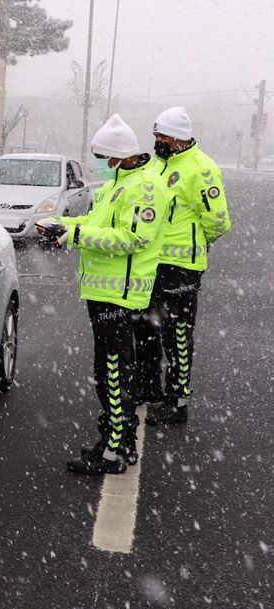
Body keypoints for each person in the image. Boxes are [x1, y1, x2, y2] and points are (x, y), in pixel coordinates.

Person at [37, 114, 169, 475]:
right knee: (111, 370)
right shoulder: (118, 186)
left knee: (114, 372)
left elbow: (133, 238)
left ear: (118, 157)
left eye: (101, 156)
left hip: (121, 296)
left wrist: (76, 237)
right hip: (104, 293)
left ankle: (113, 452)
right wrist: (64, 226)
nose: (98, 162)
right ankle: (120, 443)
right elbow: (97, 225)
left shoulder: (145, 188)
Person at [133, 107, 232, 426]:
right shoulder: (159, 165)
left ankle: (177, 402)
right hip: (151, 263)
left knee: (176, 335)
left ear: (177, 138)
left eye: (161, 136)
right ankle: (149, 389)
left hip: (182, 268)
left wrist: (201, 242)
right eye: (155, 135)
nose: (157, 141)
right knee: (146, 326)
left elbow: (218, 220)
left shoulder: (202, 169)